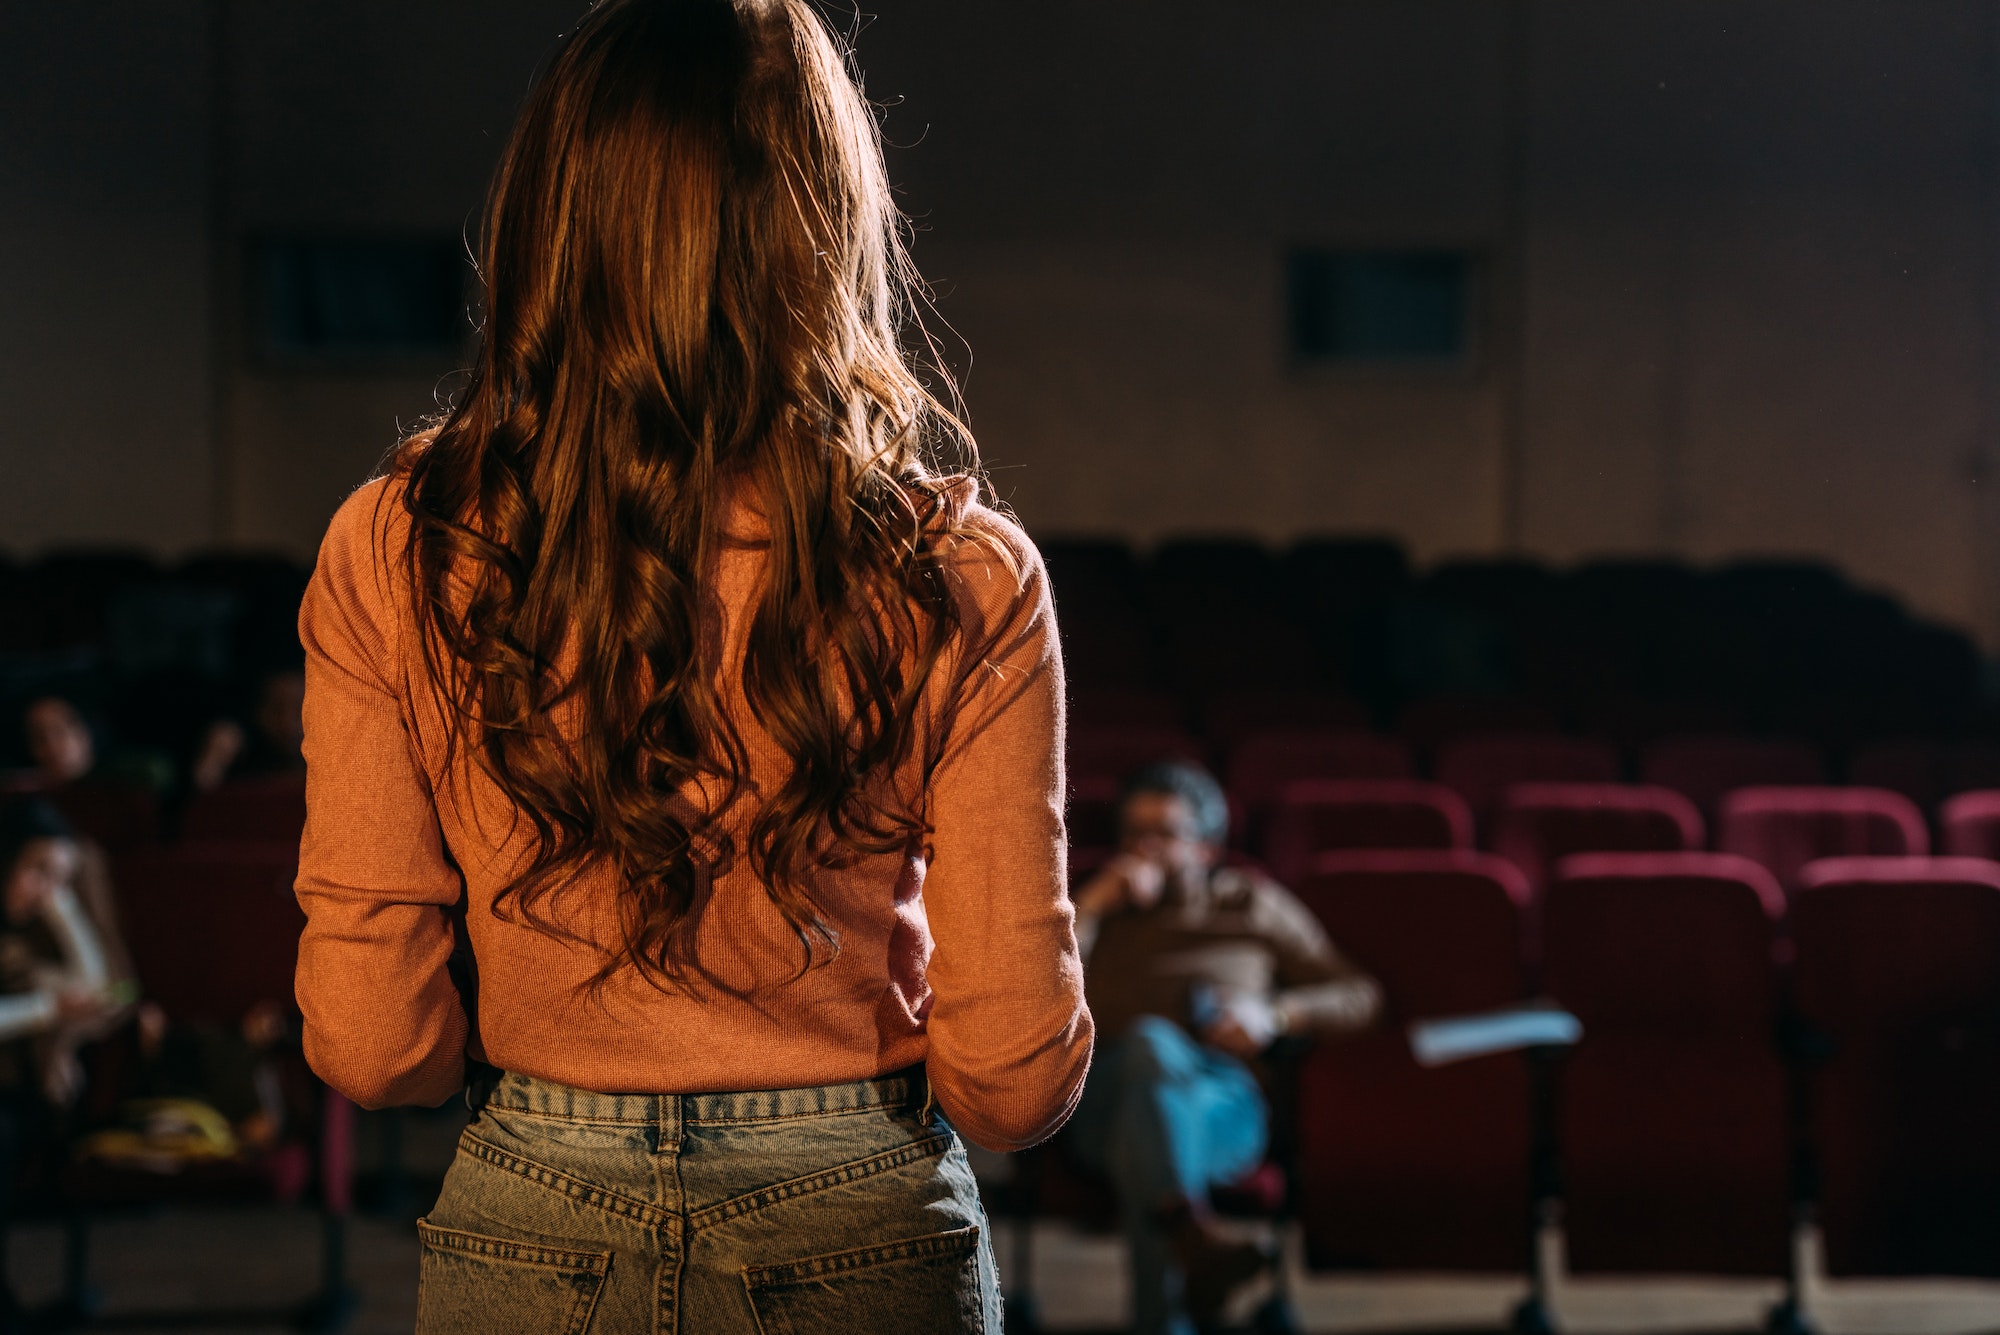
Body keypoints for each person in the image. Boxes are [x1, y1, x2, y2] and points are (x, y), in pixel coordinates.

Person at [291, 4, 1090, 1333]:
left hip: (529, 1231)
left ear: (557, 213)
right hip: (862, 1225)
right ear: (827, 221)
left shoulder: (398, 541)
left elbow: (375, 1048)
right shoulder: (963, 570)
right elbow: (1013, 1085)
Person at [1069, 761, 1382, 1335]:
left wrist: (1277, 1014)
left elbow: (1359, 993)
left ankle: (1177, 1255)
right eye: (1135, 834)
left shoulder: (1251, 904)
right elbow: (1036, 993)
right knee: (1149, 1048)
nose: (1146, 848)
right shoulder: (1098, 909)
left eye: (1165, 834)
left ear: (1207, 849)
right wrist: (1092, 905)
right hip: (1104, 1100)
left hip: (1224, 1105)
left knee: (1155, 1121)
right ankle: (1191, 1241)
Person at [0, 798, 136, 1333]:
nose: (47, 889)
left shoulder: (30, 940)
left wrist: (64, 908)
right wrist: (47, 1012)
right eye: (37, 871)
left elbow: (106, 989)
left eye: (60, 877)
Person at [187, 667, 308, 793]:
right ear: (258, 712)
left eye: (298, 709)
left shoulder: (326, 775)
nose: (287, 723)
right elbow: (203, 799)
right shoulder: (236, 756)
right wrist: (213, 763)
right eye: (276, 710)